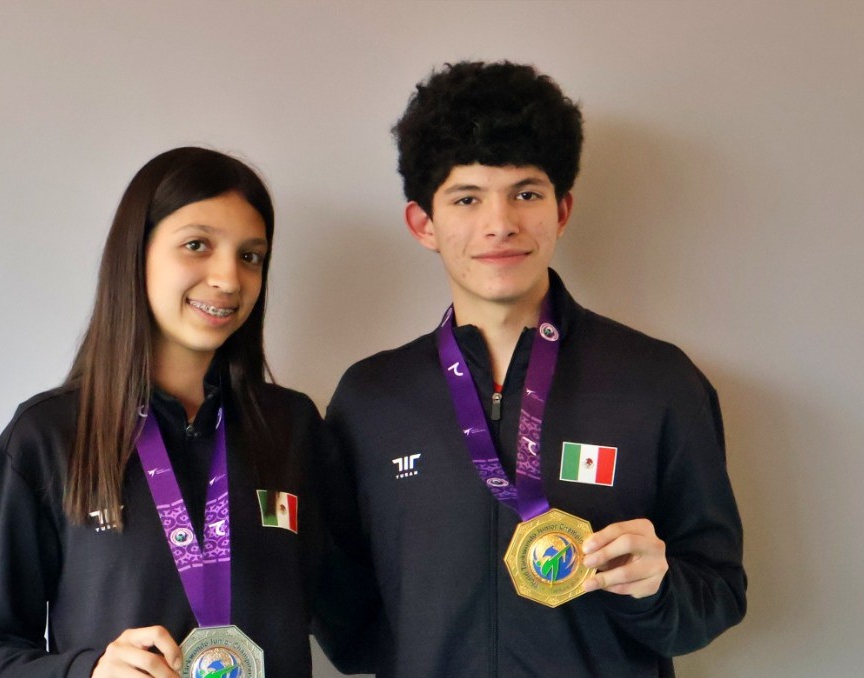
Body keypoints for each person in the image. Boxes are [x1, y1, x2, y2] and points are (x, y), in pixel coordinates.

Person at [314, 61, 746, 676]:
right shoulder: (371, 397)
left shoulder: (657, 382)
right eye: (467, 198)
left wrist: (656, 589)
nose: (501, 223)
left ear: (562, 209)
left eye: (526, 193)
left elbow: (718, 595)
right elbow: (341, 607)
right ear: (424, 224)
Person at [0, 147, 322, 678]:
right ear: (137, 254)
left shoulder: (292, 426)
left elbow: (356, 612)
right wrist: (88, 673)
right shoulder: (46, 437)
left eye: (251, 256)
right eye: (197, 245)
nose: (228, 278)